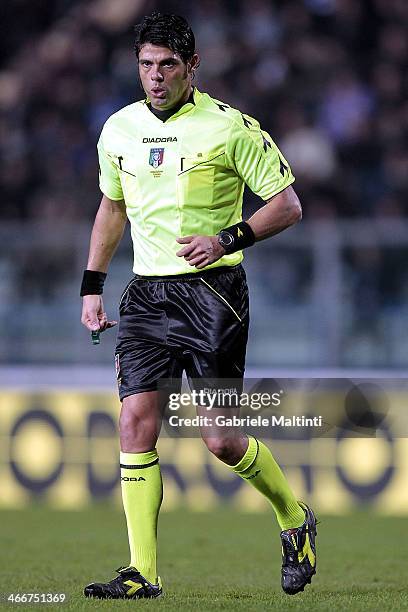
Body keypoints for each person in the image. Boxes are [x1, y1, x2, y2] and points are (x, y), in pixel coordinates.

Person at [80, 12, 317, 600]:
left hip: (213, 295)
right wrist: (92, 286)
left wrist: (226, 239)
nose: (155, 78)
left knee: (220, 440)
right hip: (145, 294)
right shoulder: (118, 130)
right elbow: (112, 209)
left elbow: (287, 206)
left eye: (167, 66)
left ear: (192, 67)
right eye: (145, 65)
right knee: (135, 425)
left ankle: (294, 518)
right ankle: (144, 573)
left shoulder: (230, 128)